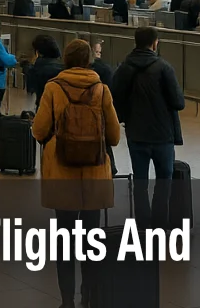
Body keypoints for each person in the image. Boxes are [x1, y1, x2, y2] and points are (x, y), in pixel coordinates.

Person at [32, 39, 121, 308]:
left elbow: (38, 130)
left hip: (62, 172)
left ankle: (67, 299)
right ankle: (89, 296)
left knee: (65, 238)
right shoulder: (101, 90)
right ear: (88, 61)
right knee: (92, 239)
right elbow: (114, 137)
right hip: (94, 172)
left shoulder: (53, 87)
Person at [112, 26, 184, 227]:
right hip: (163, 135)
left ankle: (143, 226)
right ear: (155, 43)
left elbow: (114, 97)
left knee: (140, 183)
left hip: (136, 134)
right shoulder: (164, 68)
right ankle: (160, 225)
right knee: (164, 182)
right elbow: (179, 102)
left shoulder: (124, 68)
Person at [24, 34, 65, 103]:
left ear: (38, 52)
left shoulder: (36, 70)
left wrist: (32, 64)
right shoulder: (63, 69)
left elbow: (30, 88)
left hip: (43, 107)